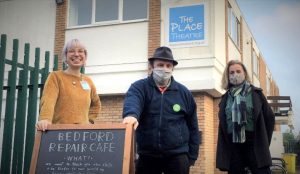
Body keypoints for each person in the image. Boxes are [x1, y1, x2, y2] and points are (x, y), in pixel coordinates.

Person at [122, 46, 200, 174]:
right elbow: (133, 100)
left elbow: (193, 127)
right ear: (151, 66)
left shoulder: (184, 93)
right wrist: (131, 114)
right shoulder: (139, 87)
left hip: (178, 157)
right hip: (147, 157)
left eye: (168, 66)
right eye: (160, 65)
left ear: (172, 68)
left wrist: (191, 157)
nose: (164, 69)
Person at [216, 60, 275, 174]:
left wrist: (263, 141)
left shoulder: (256, 93)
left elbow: (270, 118)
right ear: (227, 76)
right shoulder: (225, 98)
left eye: (238, 71)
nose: (235, 74)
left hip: (254, 144)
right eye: (231, 72)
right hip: (233, 147)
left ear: (245, 73)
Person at [36, 39, 101, 131]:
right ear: (65, 56)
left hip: (82, 134)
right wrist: (45, 119)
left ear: (85, 56)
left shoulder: (88, 81)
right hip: (59, 133)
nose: (76, 54)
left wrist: (89, 121)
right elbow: (48, 100)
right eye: (71, 51)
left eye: (80, 51)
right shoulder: (55, 77)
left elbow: (96, 104)